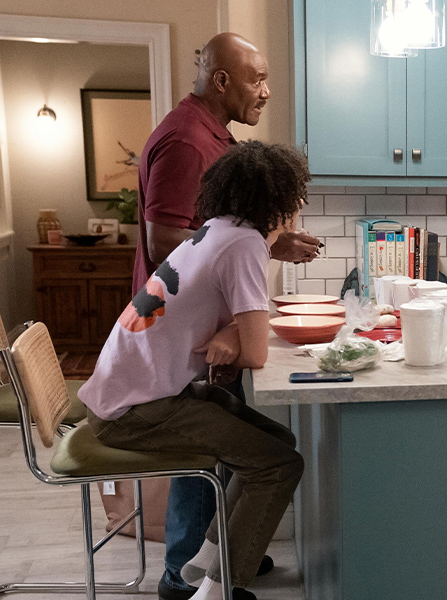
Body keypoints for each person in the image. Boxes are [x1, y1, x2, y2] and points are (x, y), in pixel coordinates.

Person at [133, 32, 319, 600]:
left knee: (229, 444)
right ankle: (182, 572)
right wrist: (253, 248)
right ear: (220, 80)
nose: (265, 91)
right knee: (208, 448)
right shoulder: (189, 142)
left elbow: (213, 235)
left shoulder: (214, 135)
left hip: (193, 326)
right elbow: (167, 240)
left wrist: (267, 243)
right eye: (256, 79)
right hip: (178, 331)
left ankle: (222, 557)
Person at [80, 141, 308, 600]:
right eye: (297, 194)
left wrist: (230, 335)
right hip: (140, 410)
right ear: (279, 202)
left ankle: (203, 564)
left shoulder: (215, 230)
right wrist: (235, 337)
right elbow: (258, 353)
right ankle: (219, 591)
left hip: (130, 394)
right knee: (280, 464)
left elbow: (230, 327)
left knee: (276, 444)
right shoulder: (245, 246)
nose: (300, 204)